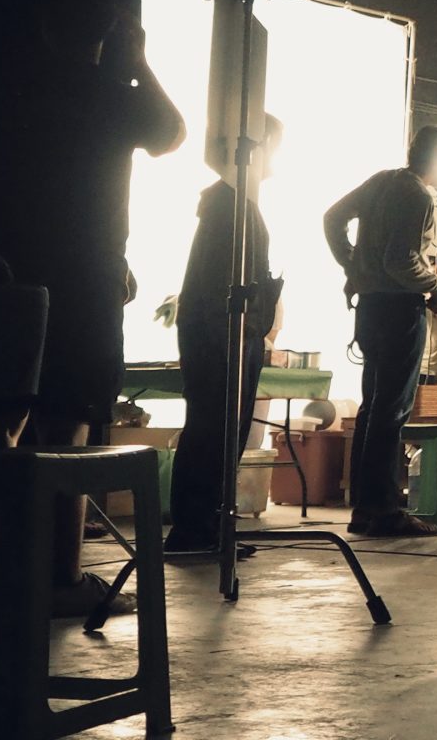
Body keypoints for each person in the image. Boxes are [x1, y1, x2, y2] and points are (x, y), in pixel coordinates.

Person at [0, 1, 184, 617]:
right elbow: (171, 133)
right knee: (69, 429)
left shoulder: (5, 91)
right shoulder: (110, 92)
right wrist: (138, 63)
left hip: (7, 278)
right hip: (85, 281)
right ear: (108, 34)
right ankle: (61, 579)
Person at [327, 125, 437, 538]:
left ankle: (364, 509)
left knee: (373, 406)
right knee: (392, 410)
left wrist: (353, 264)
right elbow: (400, 260)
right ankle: (383, 509)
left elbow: (332, 218)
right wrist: (436, 288)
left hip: (370, 307)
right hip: (399, 309)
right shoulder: (418, 195)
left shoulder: (383, 180)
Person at [164, 117, 283, 555]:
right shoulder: (231, 207)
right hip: (223, 332)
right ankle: (196, 526)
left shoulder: (232, 204)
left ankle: (206, 522)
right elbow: (220, 282)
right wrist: (234, 334)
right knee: (214, 428)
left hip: (228, 330)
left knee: (219, 429)